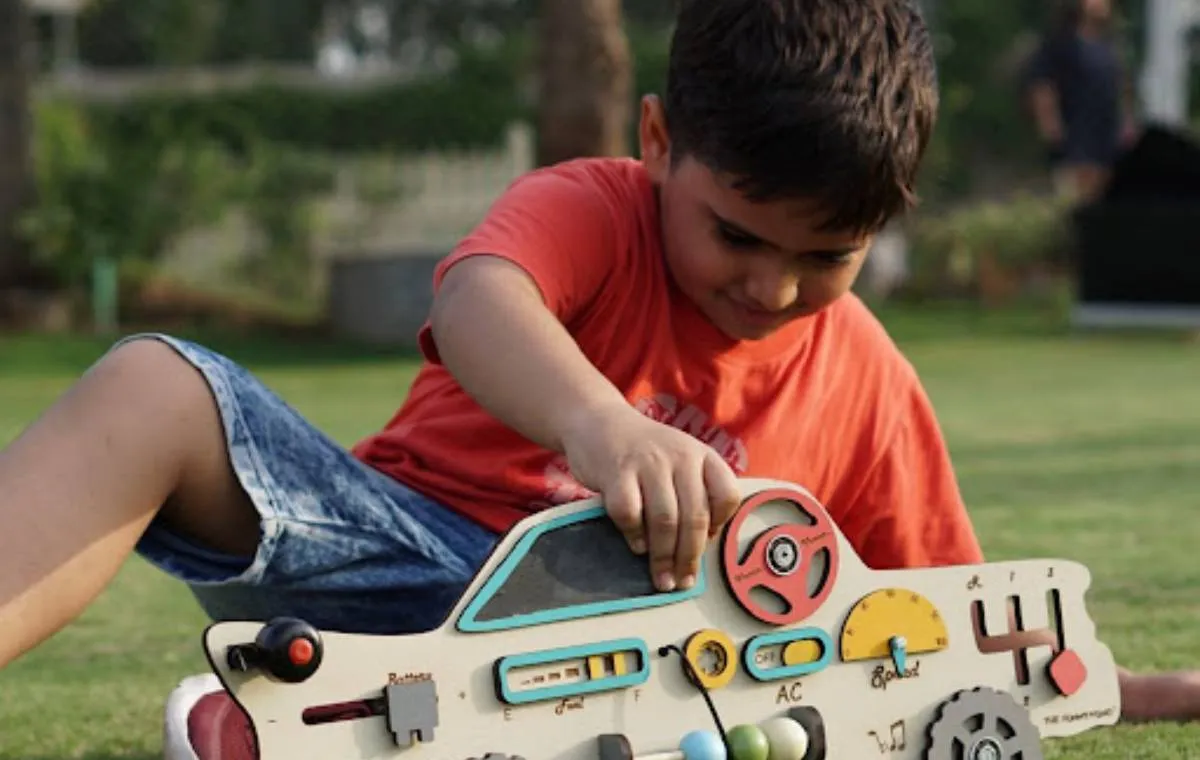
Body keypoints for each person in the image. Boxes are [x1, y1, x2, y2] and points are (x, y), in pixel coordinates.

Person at [2, 1, 1197, 757]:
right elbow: (478, 299)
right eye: (736, 235)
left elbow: (948, 624)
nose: (772, 286)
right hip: (407, 572)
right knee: (152, 384)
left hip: (636, 683)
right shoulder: (595, 209)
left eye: (828, 255)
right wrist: (602, 425)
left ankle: (285, 733)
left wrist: (1132, 688)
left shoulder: (870, 379)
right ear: (659, 143)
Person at [1024, 0, 1139, 204]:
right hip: (1076, 143)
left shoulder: (1110, 46)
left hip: (1108, 144)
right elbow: (1042, 88)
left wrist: (1127, 125)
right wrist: (1052, 131)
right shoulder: (1060, 44)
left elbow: (1121, 89)